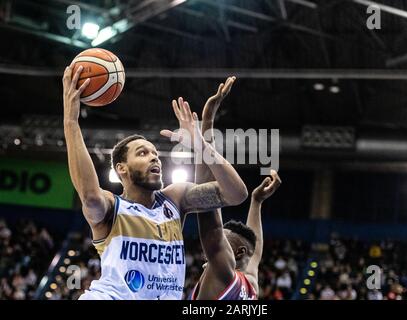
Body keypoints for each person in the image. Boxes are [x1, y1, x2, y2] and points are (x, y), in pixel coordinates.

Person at [62, 64, 248, 300]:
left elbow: (236, 194)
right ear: (122, 169)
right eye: (142, 153)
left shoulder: (175, 199)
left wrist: (202, 144)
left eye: (155, 154)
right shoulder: (111, 208)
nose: (154, 157)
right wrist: (71, 121)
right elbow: (89, 195)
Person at [189, 77, 281, 300]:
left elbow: (204, 195)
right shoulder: (250, 285)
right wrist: (256, 202)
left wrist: (208, 119)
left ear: (237, 252)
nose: (216, 237)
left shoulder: (223, 272)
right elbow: (255, 251)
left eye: (222, 237)